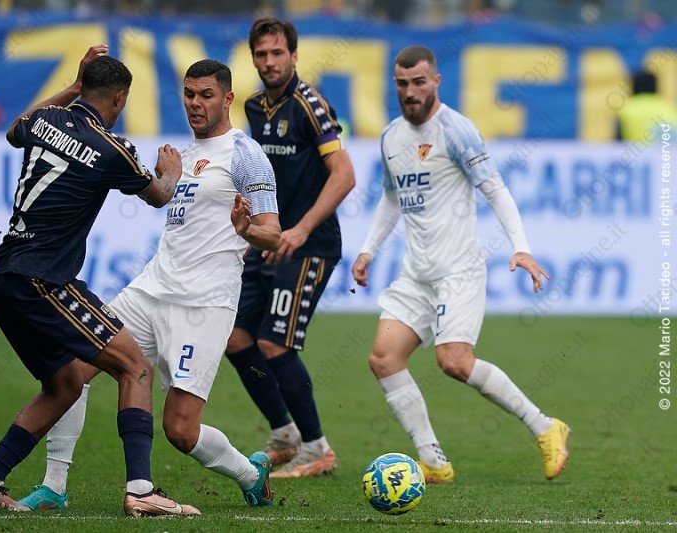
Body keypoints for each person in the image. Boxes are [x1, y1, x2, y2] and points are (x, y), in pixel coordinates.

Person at [17, 58, 281, 511]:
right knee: (71, 371)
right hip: (150, 291)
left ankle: (250, 474)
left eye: (206, 95)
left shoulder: (245, 154)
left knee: (180, 430)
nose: (195, 103)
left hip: (204, 304)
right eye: (189, 94)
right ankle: (54, 487)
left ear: (228, 99)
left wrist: (246, 230)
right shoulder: (183, 154)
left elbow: (272, 233)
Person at [0, 44, 200, 517]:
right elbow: (157, 196)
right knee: (135, 367)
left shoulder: (43, 120)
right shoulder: (112, 149)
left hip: (1, 274)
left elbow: (12, 130)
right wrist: (171, 174)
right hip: (43, 280)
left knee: (65, 384)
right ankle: (141, 491)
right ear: (120, 98)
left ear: (82, 87)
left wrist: (71, 86)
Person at [351, 45, 570, 483]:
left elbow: (495, 189)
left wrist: (521, 247)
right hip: (416, 275)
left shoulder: (456, 130)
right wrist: (368, 249)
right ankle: (433, 461)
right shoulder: (391, 136)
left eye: (418, 82)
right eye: (402, 83)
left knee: (453, 361)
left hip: (459, 272)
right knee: (383, 358)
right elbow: (392, 198)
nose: (410, 92)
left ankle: (546, 427)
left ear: (436, 82)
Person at [224, 16, 356, 479]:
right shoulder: (255, 107)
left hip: (309, 246)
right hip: (268, 242)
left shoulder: (310, 105)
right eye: (261, 54)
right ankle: (285, 433)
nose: (269, 61)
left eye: (277, 53)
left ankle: (316, 447)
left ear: (294, 56)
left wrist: (298, 231)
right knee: (235, 337)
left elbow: (344, 175)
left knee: (274, 343)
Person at [615, 68, 677, 143]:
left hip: (636, 150)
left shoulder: (626, 109)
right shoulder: (669, 107)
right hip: (668, 150)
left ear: (633, 87)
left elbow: (617, 144)